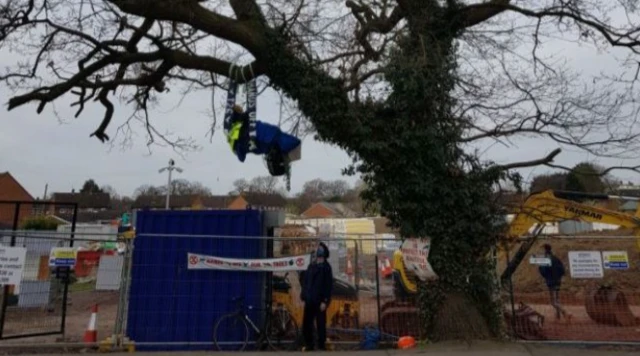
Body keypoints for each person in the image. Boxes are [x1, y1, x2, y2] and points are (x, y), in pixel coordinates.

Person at [300, 242, 333, 351]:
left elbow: (328, 286)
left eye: (319, 248)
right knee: (307, 324)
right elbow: (306, 282)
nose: (316, 249)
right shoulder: (311, 266)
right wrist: (304, 296)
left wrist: (325, 301)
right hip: (309, 300)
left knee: (320, 324)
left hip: (320, 301)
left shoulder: (326, 268)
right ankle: (310, 345)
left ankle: (321, 345)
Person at [538, 244, 569, 320]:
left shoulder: (545, 260)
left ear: (545, 250)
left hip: (551, 282)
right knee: (557, 299)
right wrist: (559, 276)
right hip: (558, 281)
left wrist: (546, 276)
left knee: (553, 302)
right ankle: (558, 315)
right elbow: (562, 270)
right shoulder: (556, 259)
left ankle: (565, 312)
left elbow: (543, 271)